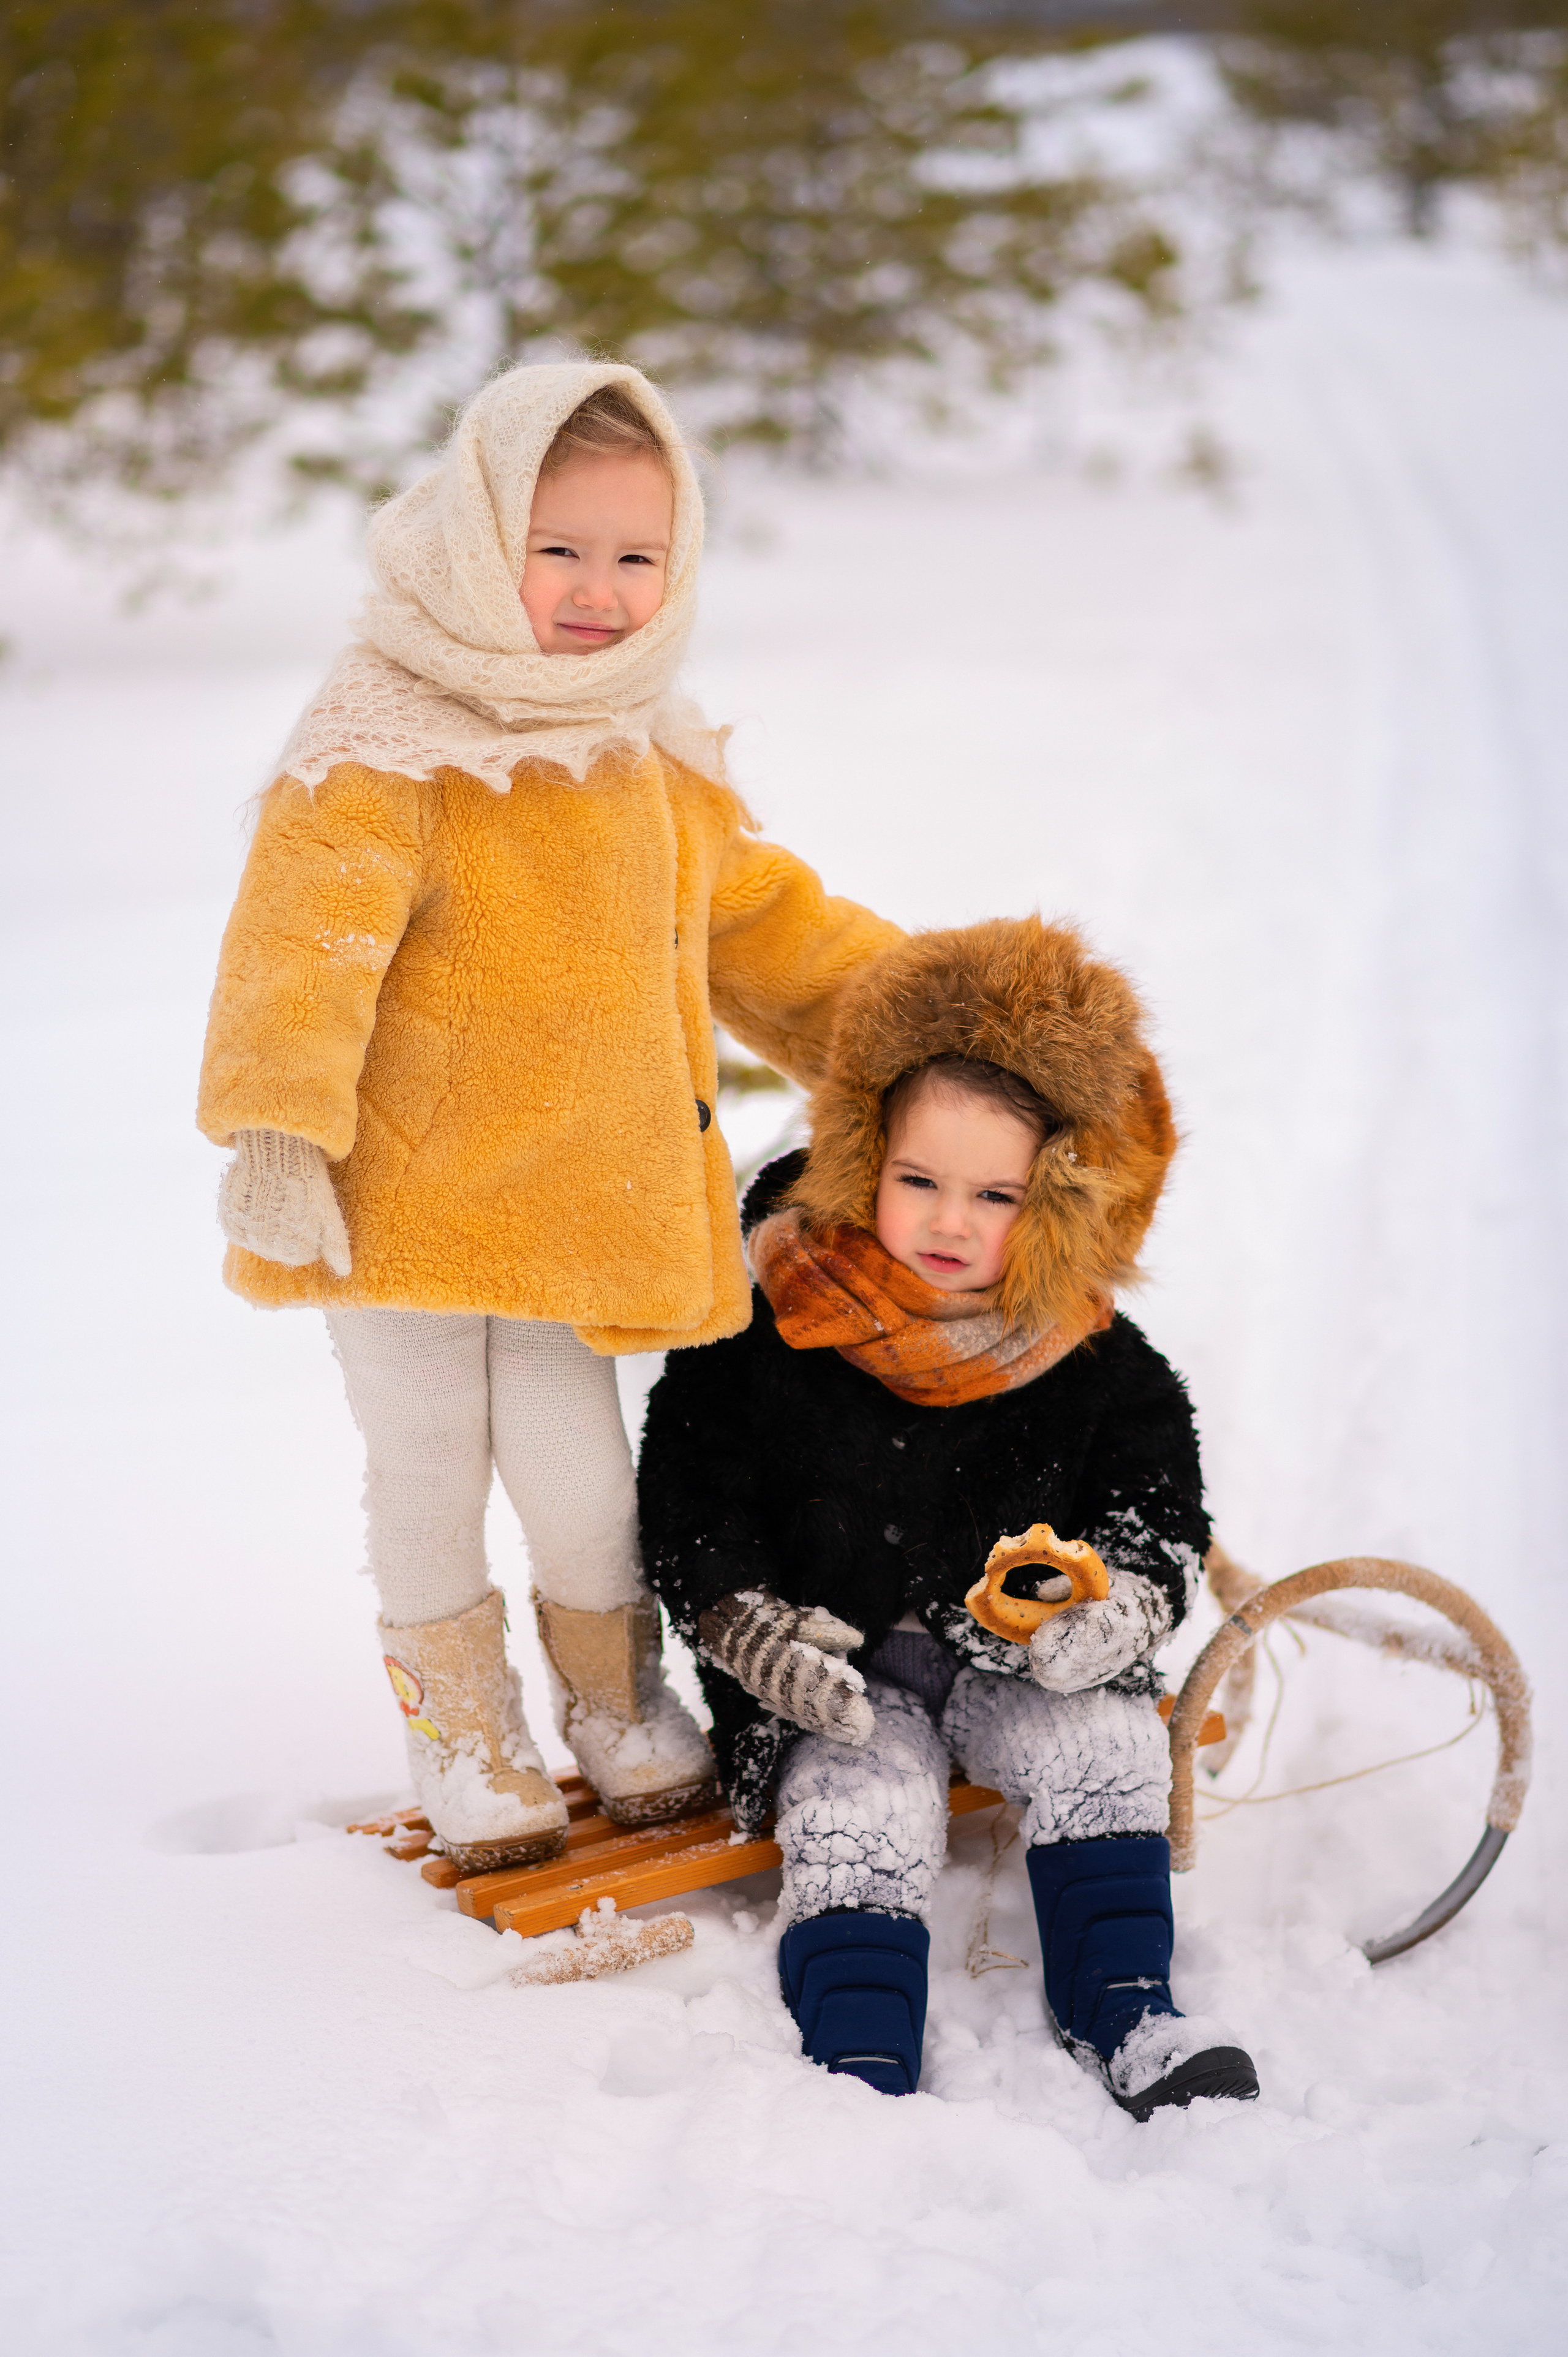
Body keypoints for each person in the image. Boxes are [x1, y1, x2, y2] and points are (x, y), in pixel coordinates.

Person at [197, 361, 901, 1872]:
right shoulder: (384, 739)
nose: (599, 590)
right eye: (558, 548)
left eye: (636, 555)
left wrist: (927, 1025)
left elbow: (764, 926)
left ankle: (615, 1702)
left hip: (570, 1205)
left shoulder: (642, 750)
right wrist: (276, 1127)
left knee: (583, 1481)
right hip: (398, 1209)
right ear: (475, 542)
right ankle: (464, 1731)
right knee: (428, 1465)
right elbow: (302, 946)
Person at [638, 915, 1261, 2118]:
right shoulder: (774, 1315)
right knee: (862, 1802)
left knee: (1107, 1746)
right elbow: (689, 1486)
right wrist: (741, 1618)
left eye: (996, 1195)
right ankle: (859, 2060)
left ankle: (1128, 2006)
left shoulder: (1084, 1349)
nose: (948, 1221)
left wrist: (1124, 1602)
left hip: (1013, 1655)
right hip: (837, 1670)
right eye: (917, 1180)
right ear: (861, 1155)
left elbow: (1155, 1499)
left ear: (1060, 1200)